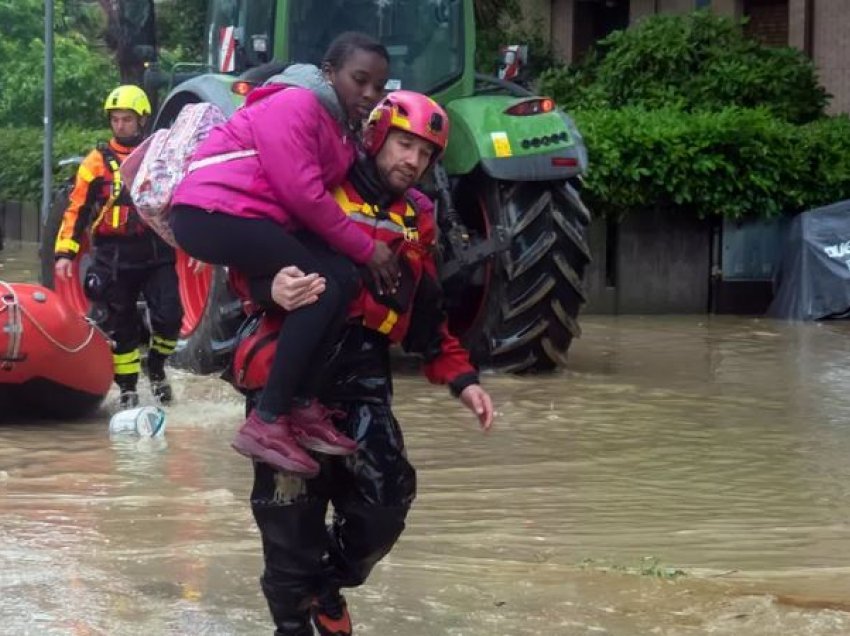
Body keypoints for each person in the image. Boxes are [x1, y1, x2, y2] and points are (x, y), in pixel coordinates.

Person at [234, 91, 495, 636]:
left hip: (363, 373)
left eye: (425, 155)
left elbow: (428, 312)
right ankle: (292, 622)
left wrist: (461, 378)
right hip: (290, 367)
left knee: (386, 503)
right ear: (377, 135)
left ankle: (327, 586)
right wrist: (268, 285)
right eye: (404, 145)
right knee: (288, 526)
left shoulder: (418, 220)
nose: (412, 162)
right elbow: (243, 264)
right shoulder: (316, 188)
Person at [170, 32, 397, 477]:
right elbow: (304, 195)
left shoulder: (339, 128)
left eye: (379, 87)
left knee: (343, 281)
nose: (369, 94)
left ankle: (301, 404)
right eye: (360, 80)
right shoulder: (295, 104)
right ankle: (268, 419)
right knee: (324, 284)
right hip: (211, 212)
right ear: (329, 74)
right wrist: (369, 249)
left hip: (253, 217)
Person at [55, 85, 182, 409]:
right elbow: (76, 209)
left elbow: (180, 200)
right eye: (115, 119)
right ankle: (128, 391)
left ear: (141, 121)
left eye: (127, 119)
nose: (120, 125)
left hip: (155, 252)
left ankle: (155, 365)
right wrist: (65, 254)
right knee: (121, 328)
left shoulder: (158, 154)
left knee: (170, 317)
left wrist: (197, 247)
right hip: (114, 257)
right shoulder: (95, 163)